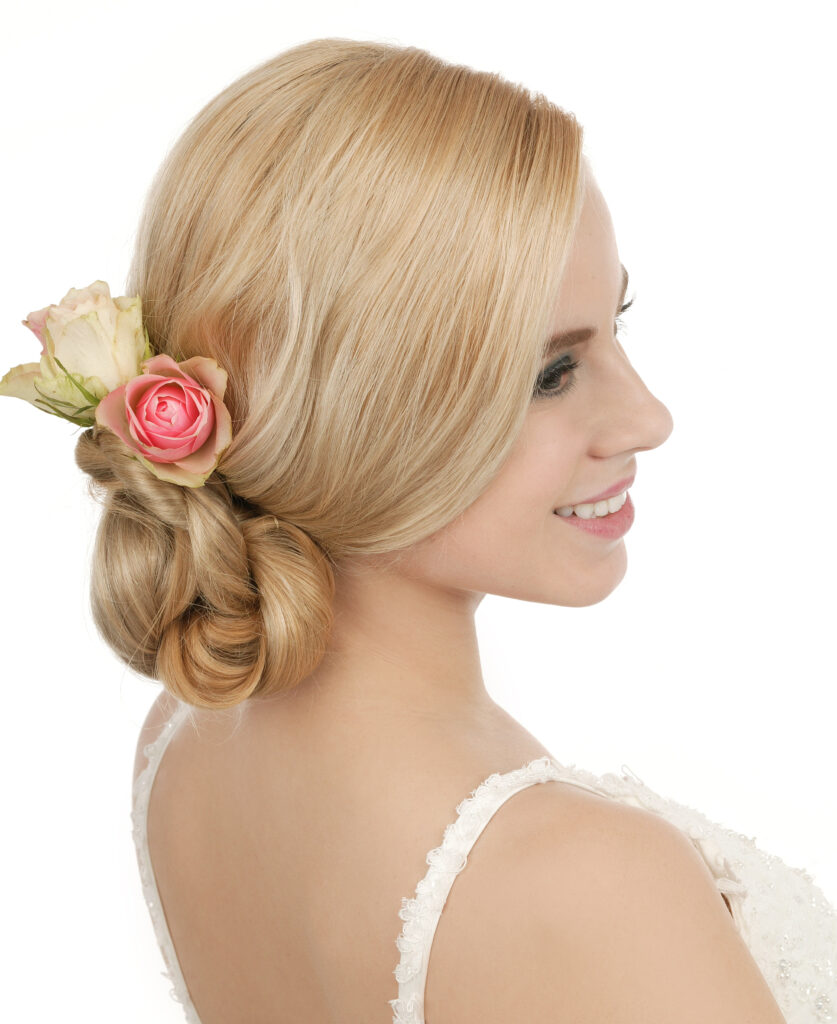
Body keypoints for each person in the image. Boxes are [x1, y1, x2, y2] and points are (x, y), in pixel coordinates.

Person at [4, 36, 833, 1024]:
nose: (646, 417)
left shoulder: (185, 739)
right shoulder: (590, 885)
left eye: (618, 324)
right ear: (352, 412)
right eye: (550, 374)